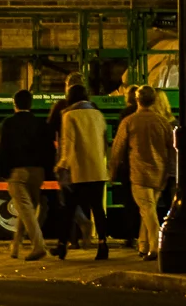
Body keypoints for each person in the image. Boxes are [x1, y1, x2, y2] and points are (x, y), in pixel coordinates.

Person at [111, 84, 174, 259]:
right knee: (148, 209)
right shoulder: (162, 122)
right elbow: (172, 148)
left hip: (139, 172)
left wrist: (112, 171)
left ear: (137, 100)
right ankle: (143, 244)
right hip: (159, 172)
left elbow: (117, 149)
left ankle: (154, 247)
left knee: (147, 210)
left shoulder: (129, 122)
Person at [53, 84, 110, 260]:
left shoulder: (69, 115)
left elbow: (68, 143)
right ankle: (102, 245)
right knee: (98, 209)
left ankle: (62, 246)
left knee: (69, 209)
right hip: (97, 169)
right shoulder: (98, 114)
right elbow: (104, 140)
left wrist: (61, 164)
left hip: (78, 169)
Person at [0, 89, 52, 261]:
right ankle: (15, 246)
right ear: (30, 104)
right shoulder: (40, 123)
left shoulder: (8, 124)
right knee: (27, 209)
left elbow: (2, 150)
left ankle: (38, 245)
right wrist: (46, 171)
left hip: (17, 172)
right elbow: (49, 149)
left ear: (15, 104)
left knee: (25, 209)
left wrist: (4, 172)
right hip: (38, 171)